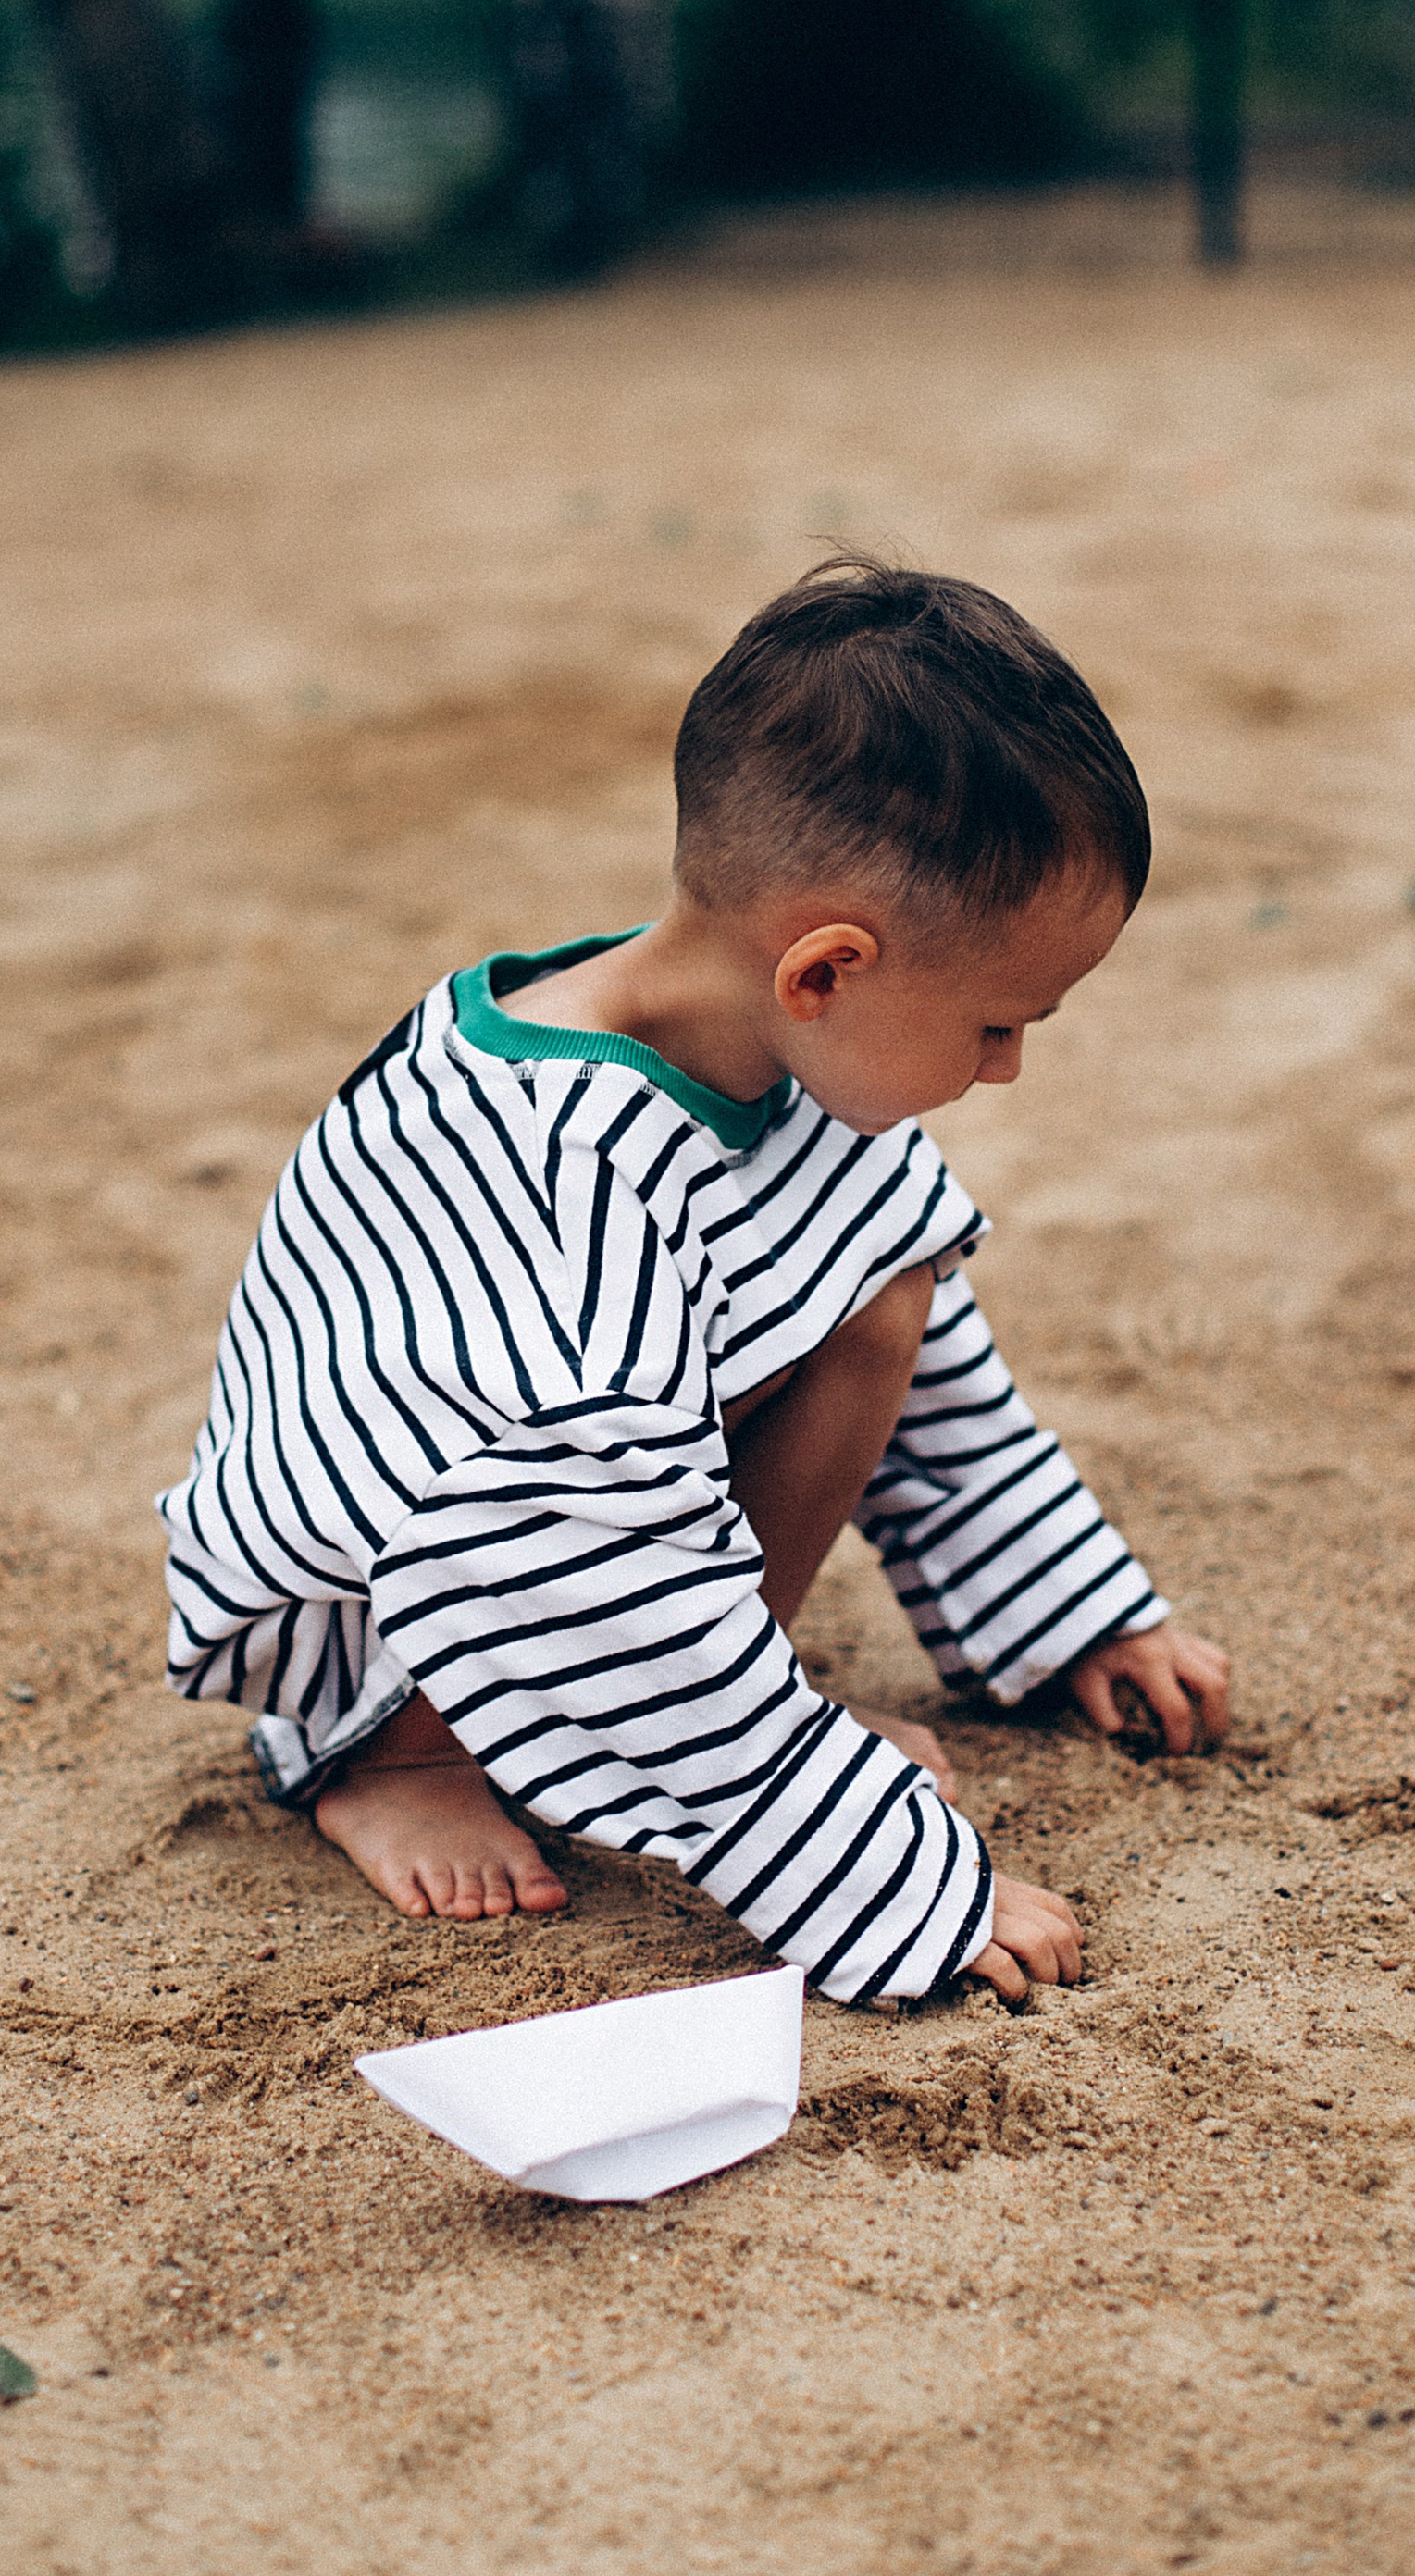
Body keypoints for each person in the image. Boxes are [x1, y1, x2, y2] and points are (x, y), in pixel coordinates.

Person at [158, 561, 1230, 2007]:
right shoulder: (563, 1186)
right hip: (394, 1600)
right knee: (621, 1555)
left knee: (889, 1280)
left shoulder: (767, 1056)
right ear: (825, 972)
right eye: (992, 1024)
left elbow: (940, 1382)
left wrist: (1074, 1617)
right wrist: (881, 1871)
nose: (1007, 1068)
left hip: (598, 1524)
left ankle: (735, 1720)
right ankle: (400, 1761)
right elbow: (602, 1579)